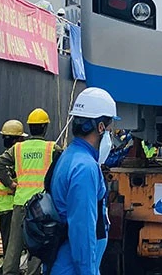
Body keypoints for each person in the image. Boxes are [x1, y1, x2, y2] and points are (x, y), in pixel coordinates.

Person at [49, 87, 119, 275]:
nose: (111, 136)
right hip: (73, 267)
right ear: (101, 127)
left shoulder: (70, 155)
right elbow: (82, 229)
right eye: (110, 128)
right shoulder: (85, 167)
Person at [0, 108, 63, 275]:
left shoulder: (18, 149)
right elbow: (63, 168)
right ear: (45, 127)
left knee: (14, 243)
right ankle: (34, 272)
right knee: (38, 240)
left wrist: (11, 184)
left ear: (30, 127)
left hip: (20, 203)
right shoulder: (52, 148)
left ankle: (9, 271)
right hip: (41, 205)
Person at [0, 120, 27, 264]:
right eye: (21, 139)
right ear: (16, 139)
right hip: (9, 206)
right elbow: (10, 181)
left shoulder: (7, 157)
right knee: (11, 244)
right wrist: (15, 186)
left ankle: (9, 267)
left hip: (5, 206)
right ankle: (9, 268)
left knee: (10, 242)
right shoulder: (11, 160)